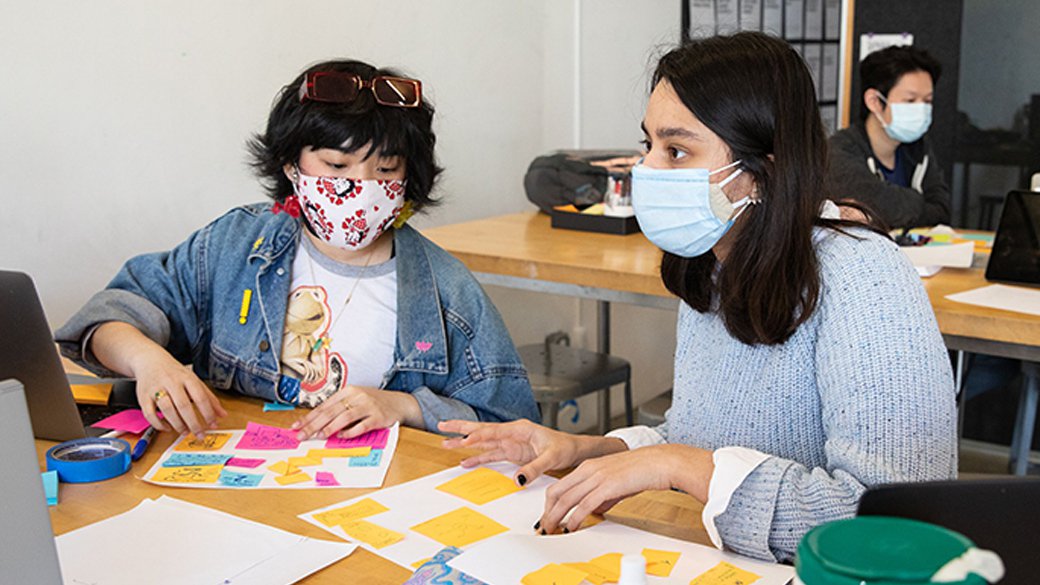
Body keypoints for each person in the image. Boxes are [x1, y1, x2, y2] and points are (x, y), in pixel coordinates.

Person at [441, 32, 957, 563]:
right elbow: (695, 437)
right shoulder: (713, 261)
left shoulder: (863, 276)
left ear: (765, 167)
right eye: (649, 145)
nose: (646, 169)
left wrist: (676, 467)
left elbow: (899, 521)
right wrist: (585, 451)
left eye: (677, 150)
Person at [56, 59, 539, 440]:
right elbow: (106, 320)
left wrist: (405, 406)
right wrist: (149, 360)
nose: (361, 187)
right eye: (337, 166)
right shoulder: (235, 247)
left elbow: (511, 425)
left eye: (387, 171)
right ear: (291, 165)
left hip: (372, 503)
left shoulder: (446, 291)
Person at [826, 45, 950, 230]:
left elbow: (941, 210)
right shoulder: (838, 151)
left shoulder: (917, 147)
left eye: (927, 101)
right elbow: (875, 205)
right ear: (874, 102)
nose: (921, 109)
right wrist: (918, 201)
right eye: (910, 100)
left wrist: (891, 206)